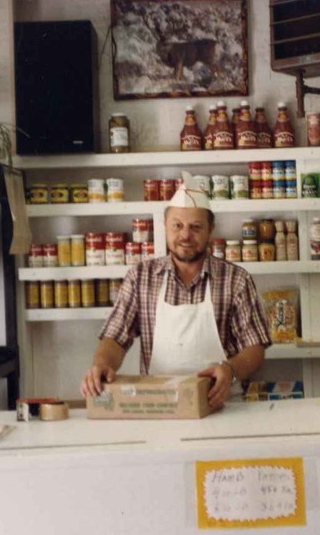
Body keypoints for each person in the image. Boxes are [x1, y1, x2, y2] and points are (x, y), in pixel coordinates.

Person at [80, 174, 271, 408]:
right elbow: (115, 338)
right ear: (165, 226)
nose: (185, 235)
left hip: (221, 405)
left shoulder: (236, 280)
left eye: (195, 227)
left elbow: (255, 349)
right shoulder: (141, 277)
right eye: (177, 225)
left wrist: (230, 370)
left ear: (211, 229)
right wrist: (102, 363)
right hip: (158, 406)